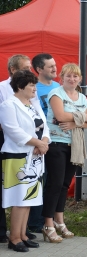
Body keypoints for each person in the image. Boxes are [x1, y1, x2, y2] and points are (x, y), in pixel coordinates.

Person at [41, 63, 87, 243]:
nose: (72, 79)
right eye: (68, 76)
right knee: (54, 184)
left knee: (64, 184)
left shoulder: (82, 97)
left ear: (80, 79)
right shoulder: (56, 94)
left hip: (74, 145)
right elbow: (60, 116)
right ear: (61, 77)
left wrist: (74, 123)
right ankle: (47, 224)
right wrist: (81, 117)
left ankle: (59, 220)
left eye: (75, 76)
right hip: (56, 144)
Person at [0, 70, 49, 252]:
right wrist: (36, 142)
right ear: (20, 87)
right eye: (31, 85)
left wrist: (43, 141)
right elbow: (12, 130)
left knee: (29, 198)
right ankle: (14, 238)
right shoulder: (8, 105)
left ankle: (22, 234)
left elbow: (44, 127)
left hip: (35, 155)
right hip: (18, 156)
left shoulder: (32, 104)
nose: (35, 89)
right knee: (19, 198)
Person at [0, 55, 35, 243]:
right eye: (26, 68)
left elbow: (39, 119)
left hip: (30, 148)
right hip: (9, 144)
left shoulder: (31, 95)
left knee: (26, 194)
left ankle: (22, 231)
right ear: (13, 70)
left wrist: (40, 140)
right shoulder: (2, 89)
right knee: (13, 192)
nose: (30, 71)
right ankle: (5, 232)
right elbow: (7, 123)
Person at [28, 53, 60, 234]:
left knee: (52, 183)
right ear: (39, 69)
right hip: (37, 143)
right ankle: (34, 222)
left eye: (55, 65)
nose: (55, 69)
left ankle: (48, 219)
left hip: (56, 141)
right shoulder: (32, 88)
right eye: (50, 66)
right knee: (38, 180)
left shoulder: (57, 87)